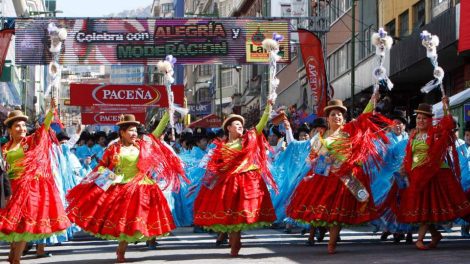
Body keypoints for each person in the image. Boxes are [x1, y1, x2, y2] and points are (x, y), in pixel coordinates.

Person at [66, 112, 187, 263]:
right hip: (121, 187)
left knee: (140, 220)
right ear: (122, 133)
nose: (134, 133)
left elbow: (156, 133)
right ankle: (121, 252)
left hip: (142, 186)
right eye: (130, 130)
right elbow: (102, 167)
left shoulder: (143, 144)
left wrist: (167, 116)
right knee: (123, 222)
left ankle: (136, 244)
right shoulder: (113, 149)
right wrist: (111, 177)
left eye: (136, 130)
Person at [286, 93, 392, 254]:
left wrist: (372, 101)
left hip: (346, 177)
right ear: (327, 118)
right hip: (325, 178)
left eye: (340, 114)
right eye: (333, 114)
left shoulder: (349, 130)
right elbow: (311, 159)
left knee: (338, 213)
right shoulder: (318, 138)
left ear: (343, 118)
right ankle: (327, 237)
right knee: (326, 211)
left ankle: (331, 243)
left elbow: (363, 117)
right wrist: (318, 161)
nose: (337, 117)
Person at [194, 100, 277, 257]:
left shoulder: (248, 140)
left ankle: (236, 240)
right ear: (228, 128)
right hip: (227, 182)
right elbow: (215, 166)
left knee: (241, 212)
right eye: (236, 124)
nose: (240, 126)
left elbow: (260, 126)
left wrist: (268, 107)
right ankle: (234, 240)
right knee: (230, 213)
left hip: (247, 179)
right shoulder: (221, 146)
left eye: (241, 124)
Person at [0, 98, 71, 264]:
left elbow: (43, 130)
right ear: (10, 129)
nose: (22, 128)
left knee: (24, 224)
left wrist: (51, 112)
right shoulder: (4, 148)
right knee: (12, 225)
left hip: (27, 190)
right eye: (17, 126)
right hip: (9, 189)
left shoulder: (30, 142)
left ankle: (15, 259)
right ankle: (13, 255)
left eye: (24, 125)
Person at [395, 100, 470, 250]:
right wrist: (404, 168)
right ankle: (435, 234)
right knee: (422, 209)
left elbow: (449, 124)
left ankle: (419, 240)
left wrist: (445, 106)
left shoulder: (436, 132)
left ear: (430, 120)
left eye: (424, 118)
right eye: (418, 118)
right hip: (416, 177)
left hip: (434, 176)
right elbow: (410, 155)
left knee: (427, 209)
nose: (420, 121)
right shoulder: (414, 136)